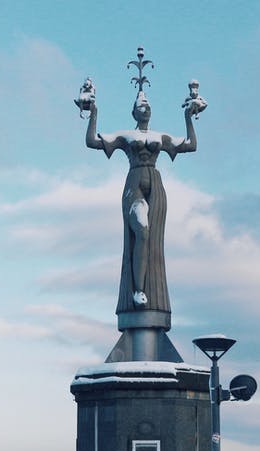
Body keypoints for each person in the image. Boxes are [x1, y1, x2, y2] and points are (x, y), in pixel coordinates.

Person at [85, 89, 198, 314]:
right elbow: (92, 141)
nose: (144, 107)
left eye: (147, 105)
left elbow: (190, 145)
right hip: (134, 186)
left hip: (155, 187)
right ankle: (138, 290)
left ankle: (149, 288)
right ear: (134, 112)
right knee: (142, 232)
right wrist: (93, 113)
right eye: (140, 105)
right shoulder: (126, 137)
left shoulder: (161, 137)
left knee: (153, 240)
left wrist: (189, 117)